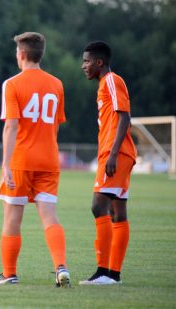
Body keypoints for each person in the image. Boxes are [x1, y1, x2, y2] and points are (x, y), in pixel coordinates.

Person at [0, 32, 70, 288]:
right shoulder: (56, 84)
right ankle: (61, 266)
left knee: (12, 218)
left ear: (22, 54)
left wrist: (5, 164)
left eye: (17, 51)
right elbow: (56, 126)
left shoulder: (12, 84)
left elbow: (12, 126)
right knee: (49, 216)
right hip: (49, 160)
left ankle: (9, 274)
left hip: (21, 160)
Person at [79, 41, 136, 285]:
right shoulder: (103, 84)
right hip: (115, 153)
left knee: (97, 206)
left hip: (115, 154)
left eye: (87, 61)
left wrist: (112, 154)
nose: (84, 66)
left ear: (99, 62)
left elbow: (125, 117)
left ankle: (104, 271)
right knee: (117, 211)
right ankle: (113, 274)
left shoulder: (112, 81)